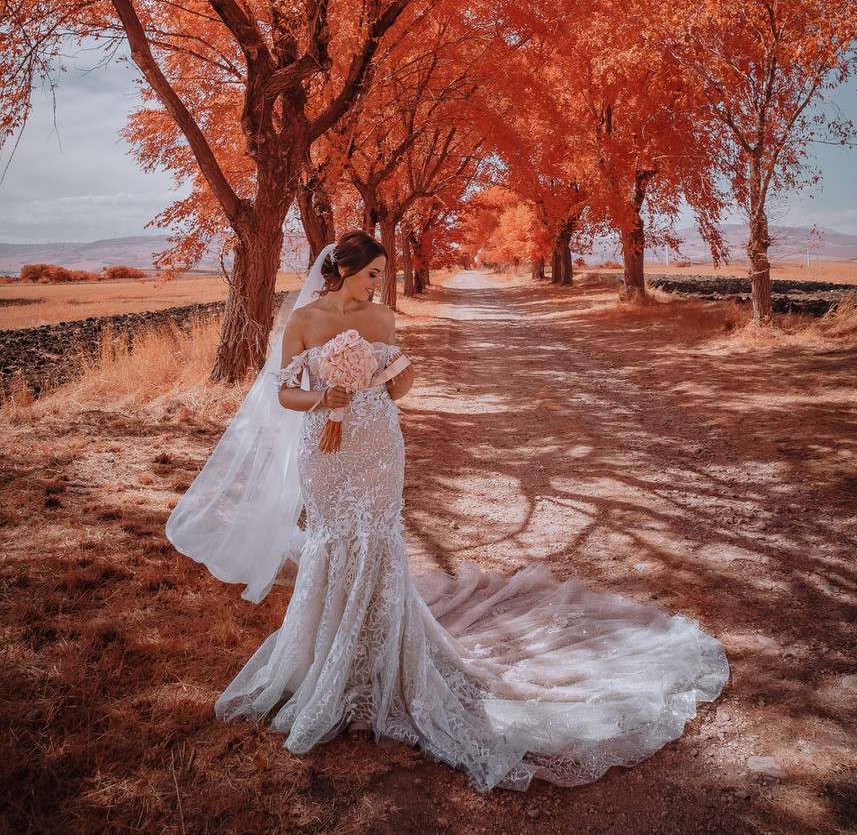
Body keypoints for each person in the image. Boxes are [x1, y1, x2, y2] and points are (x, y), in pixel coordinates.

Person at [169, 229, 730, 793]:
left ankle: (389, 656)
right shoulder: (304, 321)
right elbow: (284, 394)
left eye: (382, 277)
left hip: (379, 448)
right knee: (334, 539)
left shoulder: (384, 319)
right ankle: (327, 660)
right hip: (326, 451)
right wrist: (323, 397)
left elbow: (395, 391)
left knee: (380, 541)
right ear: (343, 271)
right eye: (371, 275)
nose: (377, 286)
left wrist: (402, 373)